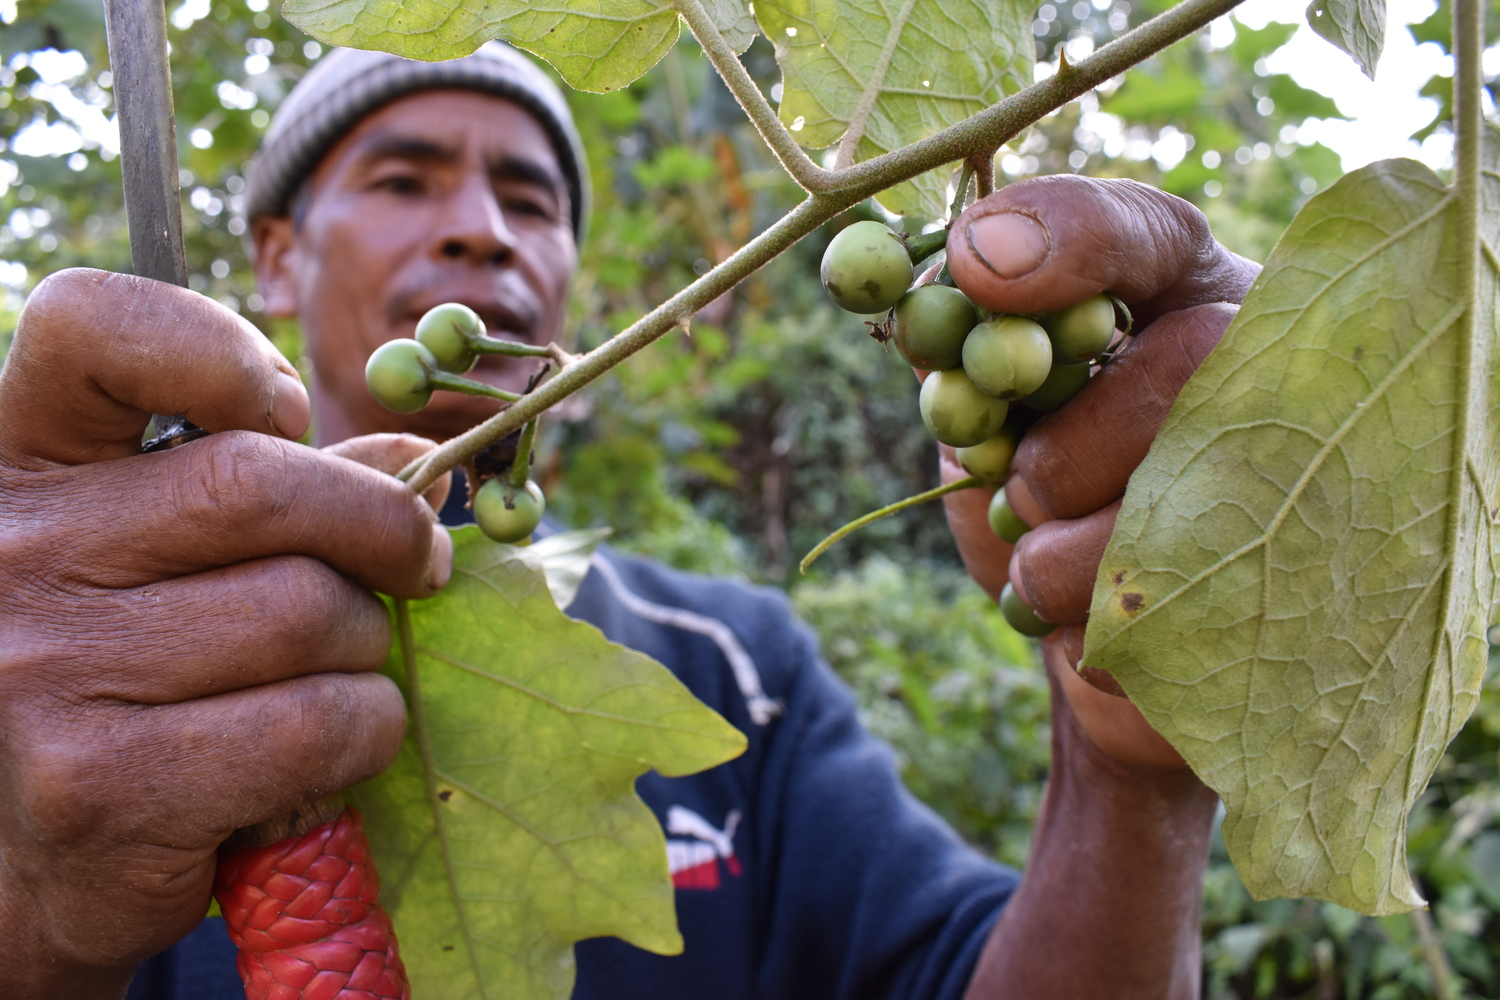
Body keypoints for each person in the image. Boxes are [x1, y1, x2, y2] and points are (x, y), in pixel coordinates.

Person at [0, 41, 1257, 1000]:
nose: (481, 229)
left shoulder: (734, 671)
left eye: (531, 200)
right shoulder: (67, 665)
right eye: (403, 176)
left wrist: (1128, 765)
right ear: (276, 252)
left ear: (569, 287)